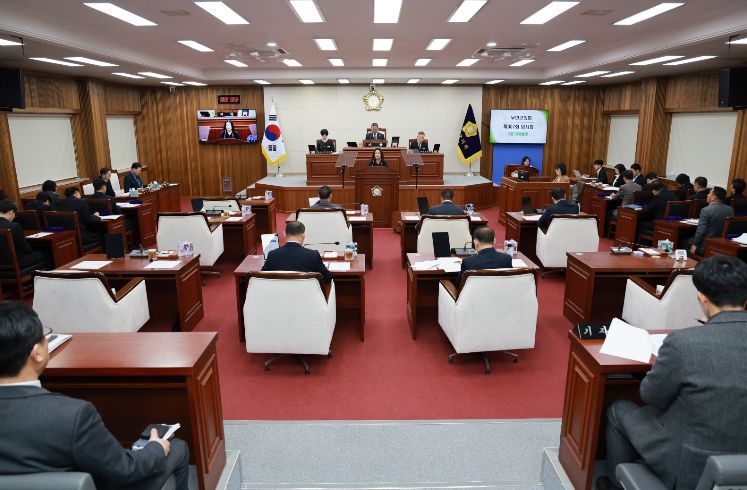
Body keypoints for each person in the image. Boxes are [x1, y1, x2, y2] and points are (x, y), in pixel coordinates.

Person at [0, 301, 190, 490]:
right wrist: (156, 448)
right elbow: (125, 470)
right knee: (178, 448)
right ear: (37, 353)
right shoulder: (73, 415)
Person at [597, 255, 747, 490]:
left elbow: (652, 396)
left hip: (689, 464)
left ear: (702, 298)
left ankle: (617, 485)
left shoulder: (684, 342)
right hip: (741, 460)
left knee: (619, 410)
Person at [261, 221, 332, 283]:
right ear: (303, 235)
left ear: (284, 234)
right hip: (305, 294)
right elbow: (327, 278)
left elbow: (261, 277)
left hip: (279, 293)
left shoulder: (272, 254)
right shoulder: (313, 255)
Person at [0, 200, 49, 269]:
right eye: (15, 214)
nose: (14, 217)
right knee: (47, 252)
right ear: (11, 212)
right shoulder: (14, 226)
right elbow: (25, 247)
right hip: (18, 262)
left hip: (2, 264)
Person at [687, 187, 733, 256]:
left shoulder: (706, 210)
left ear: (714, 197)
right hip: (723, 245)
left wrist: (695, 244)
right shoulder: (730, 209)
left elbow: (701, 230)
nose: (707, 195)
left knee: (685, 242)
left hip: (706, 245)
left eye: (709, 193)